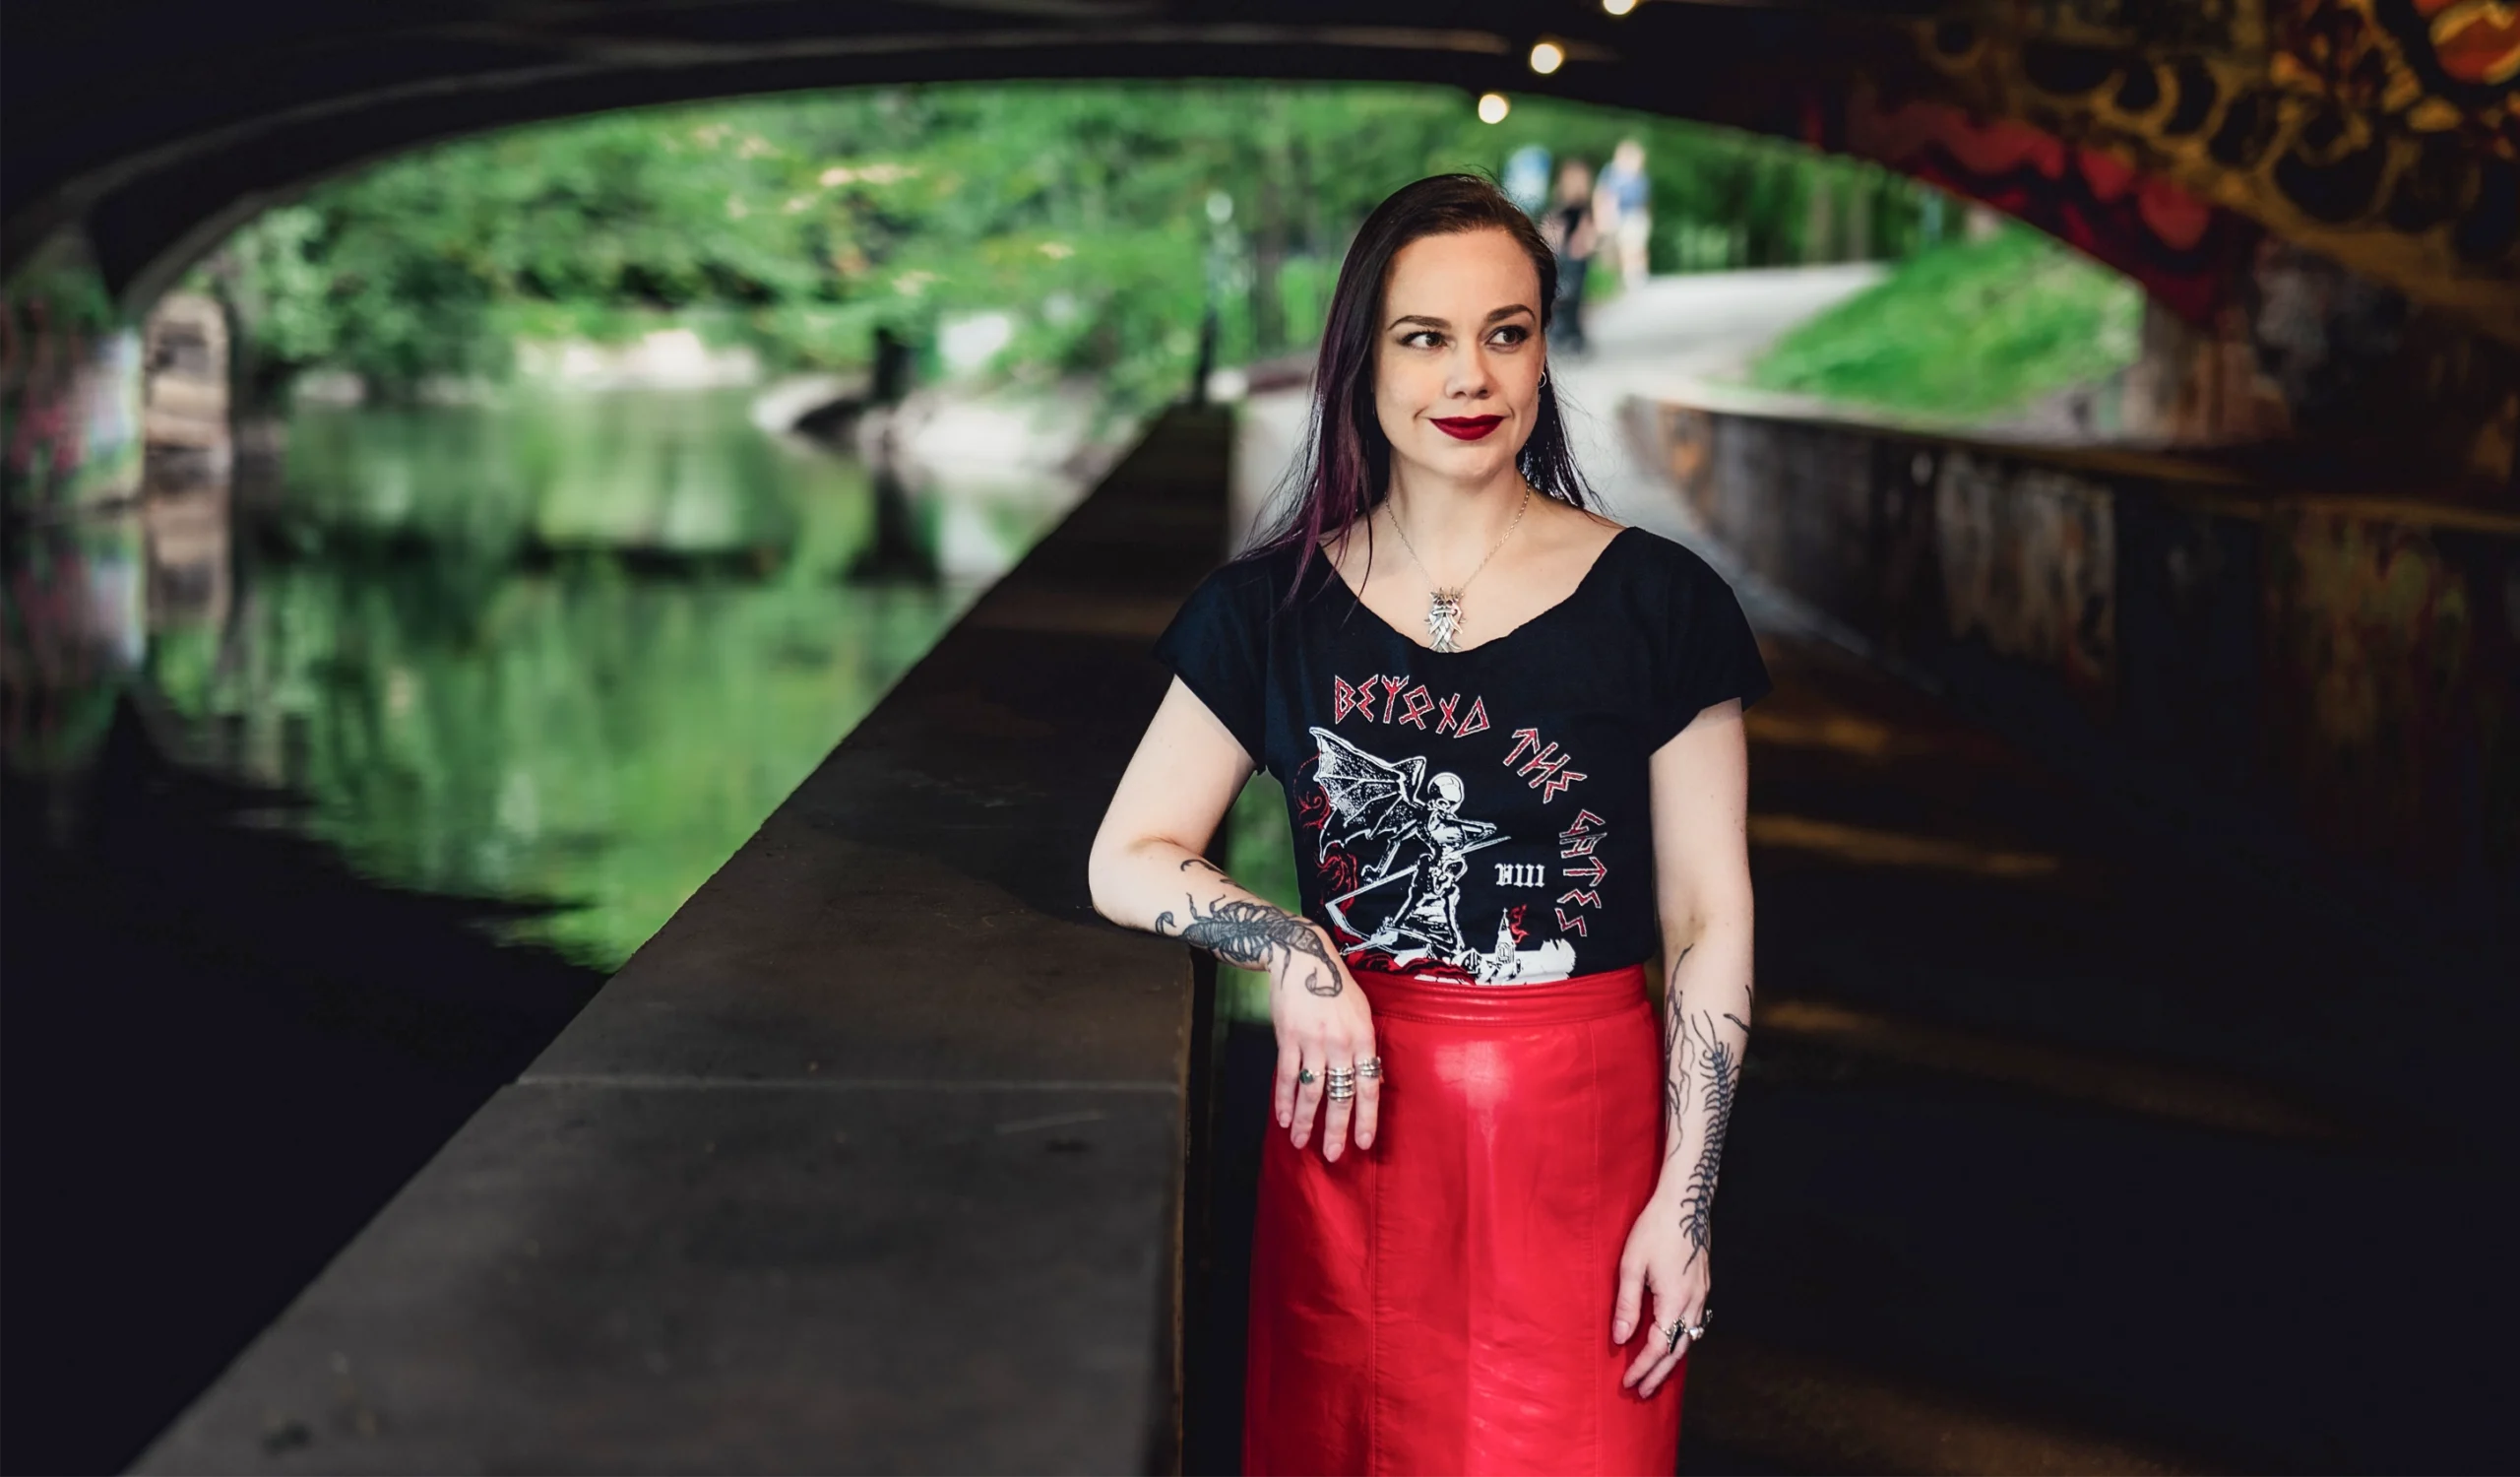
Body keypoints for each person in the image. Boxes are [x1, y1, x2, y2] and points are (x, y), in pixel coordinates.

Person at [1088, 173, 1767, 1476]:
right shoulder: (1267, 614)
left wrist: (1684, 1207)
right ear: (1361, 362)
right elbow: (1130, 853)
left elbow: (1704, 917)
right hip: (1351, 1150)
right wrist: (1290, 946)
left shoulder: (1659, 607)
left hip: (1587, 1149)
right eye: (1427, 338)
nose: (1472, 377)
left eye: (1506, 333)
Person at [1541, 158, 1599, 355]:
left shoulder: (1584, 208)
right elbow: (1550, 227)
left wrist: (1582, 246)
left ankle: (1573, 334)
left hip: (1576, 255)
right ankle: (1563, 333)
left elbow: (1588, 231)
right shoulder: (1559, 204)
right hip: (1560, 254)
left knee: (1574, 296)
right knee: (1560, 296)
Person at [1596, 138, 1653, 289]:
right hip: (1615, 214)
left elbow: (1644, 200)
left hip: (1634, 214)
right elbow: (1602, 193)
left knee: (1634, 245)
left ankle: (1635, 276)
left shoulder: (1640, 176)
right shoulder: (1610, 171)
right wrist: (1601, 215)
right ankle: (1619, 278)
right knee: (1616, 249)